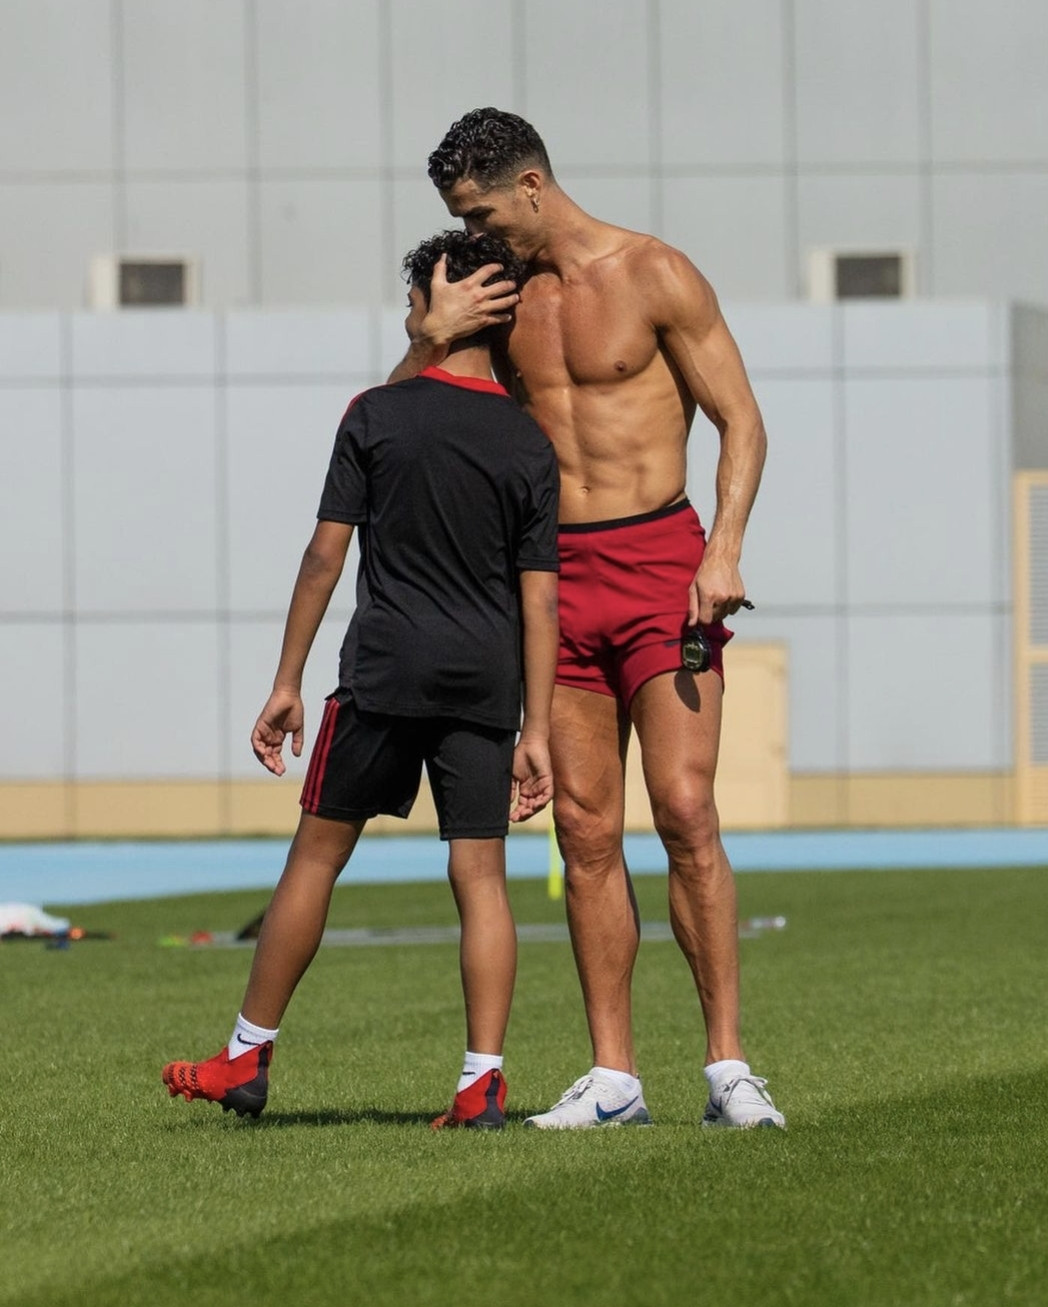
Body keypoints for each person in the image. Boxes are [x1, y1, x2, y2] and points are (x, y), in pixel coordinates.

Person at [389, 108, 784, 1130]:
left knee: (686, 810)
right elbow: (393, 422)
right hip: (550, 581)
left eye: (481, 213)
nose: (473, 234)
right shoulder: (492, 293)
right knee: (584, 829)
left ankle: (728, 1067)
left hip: (660, 568)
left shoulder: (654, 273)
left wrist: (723, 548)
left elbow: (741, 418)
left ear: (530, 186)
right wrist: (429, 337)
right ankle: (614, 1077)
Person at [162, 229, 560, 1129]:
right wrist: (535, 727)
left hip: (384, 671)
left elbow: (323, 556)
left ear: (441, 303)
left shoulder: (375, 414)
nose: (409, 315)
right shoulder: (530, 442)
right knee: (481, 876)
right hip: (485, 683)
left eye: (414, 300)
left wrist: (286, 680)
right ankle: (481, 1084)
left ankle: (245, 1056)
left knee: (316, 856)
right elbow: (541, 600)